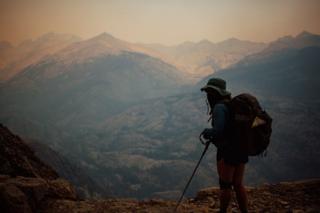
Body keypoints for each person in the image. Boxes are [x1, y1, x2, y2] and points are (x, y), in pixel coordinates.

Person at [200, 78, 248, 213]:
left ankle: (222, 211)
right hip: (241, 148)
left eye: (209, 92)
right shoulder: (231, 105)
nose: (208, 95)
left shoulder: (219, 107)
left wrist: (207, 132)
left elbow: (219, 130)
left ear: (215, 93)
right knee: (238, 184)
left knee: (225, 185)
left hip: (228, 151)